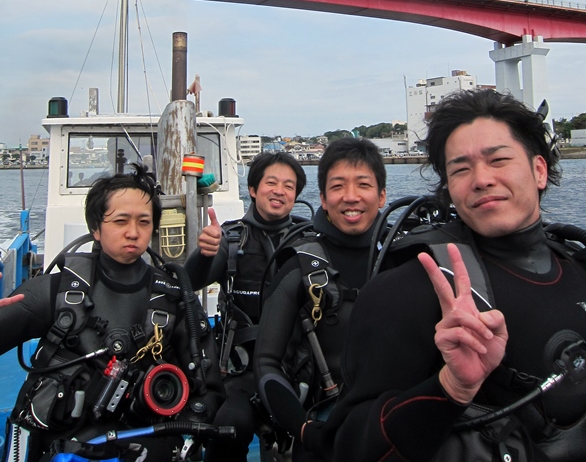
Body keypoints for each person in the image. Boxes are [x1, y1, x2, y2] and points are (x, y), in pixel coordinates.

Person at [325, 88, 586, 462]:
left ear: (539, 169)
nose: (481, 179)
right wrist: (450, 387)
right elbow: (350, 446)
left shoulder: (585, 267)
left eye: (498, 159)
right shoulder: (409, 290)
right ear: (450, 190)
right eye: (460, 169)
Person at [0, 164, 225, 462]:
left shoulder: (172, 298)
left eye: (144, 222)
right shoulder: (58, 290)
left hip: (143, 446)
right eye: (121, 221)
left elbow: (210, 391)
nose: (133, 232)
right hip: (59, 445)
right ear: (96, 228)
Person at [254, 137, 386, 461]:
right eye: (338, 186)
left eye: (363, 185)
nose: (351, 196)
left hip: (393, 428)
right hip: (321, 429)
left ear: (382, 196)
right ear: (324, 199)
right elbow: (266, 362)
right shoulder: (297, 266)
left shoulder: (406, 260)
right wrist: (303, 429)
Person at [184, 151, 308, 462]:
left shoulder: (308, 240)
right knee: (229, 427)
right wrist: (205, 254)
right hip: (243, 372)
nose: (280, 191)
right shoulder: (232, 237)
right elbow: (192, 281)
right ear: (253, 189)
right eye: (271, 182)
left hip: (300, 366)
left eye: (289, 186)